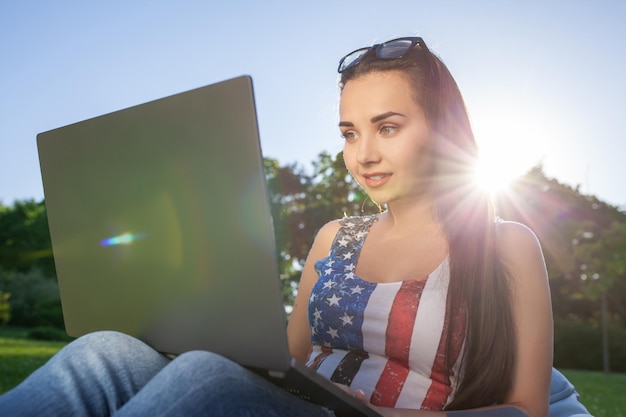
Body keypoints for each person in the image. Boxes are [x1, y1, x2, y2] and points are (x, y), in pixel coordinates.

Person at [0, 36, 591, 417]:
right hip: (305, 404)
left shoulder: (506, 243)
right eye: (348, 133)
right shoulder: (336, 237)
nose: (362, 155)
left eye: (386, 127)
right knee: (106, 351)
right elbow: (285, 363)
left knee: (206, 381)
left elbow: (525, 410)